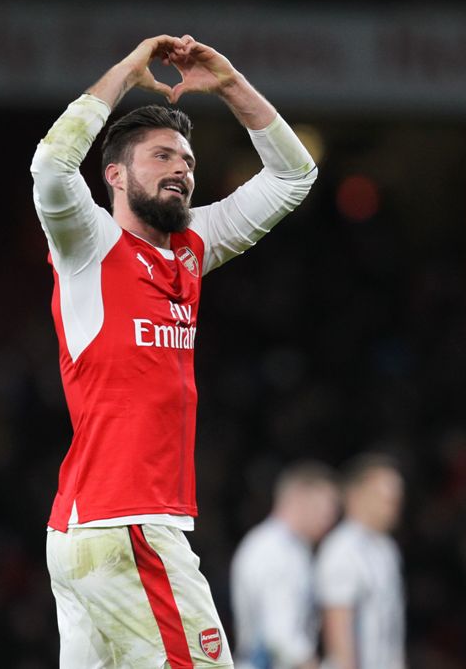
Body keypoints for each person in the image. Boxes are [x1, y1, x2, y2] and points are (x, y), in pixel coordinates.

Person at [30, 34, 318, 668]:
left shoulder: (190, 246)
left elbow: (295, 176)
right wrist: (126, 74)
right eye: (161, 156)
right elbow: (51, 166)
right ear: (114, 175)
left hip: (88, 530)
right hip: (126, 520)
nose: (181, 168)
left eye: (187, 159)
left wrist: (232, 85)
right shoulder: (90, 244)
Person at [230, 461, 340, 669]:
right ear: (299, 496)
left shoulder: (291, 547)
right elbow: (281, 637)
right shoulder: (275, 550)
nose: (330, 517)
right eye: (327, 505)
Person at [316, 454, 407, 669]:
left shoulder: (387, 549)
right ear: (357, 495)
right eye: (387, 499)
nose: (395, 507)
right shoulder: (341, 550)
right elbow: (338, 628)